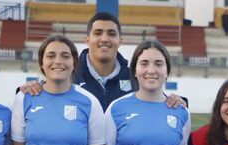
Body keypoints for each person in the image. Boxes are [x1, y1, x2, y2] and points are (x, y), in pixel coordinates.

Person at [19, 12, 185, 112]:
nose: (104, 39)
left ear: (120, 40)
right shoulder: (68, 75)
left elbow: (157, 100)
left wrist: (175, 100)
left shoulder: (135, 77)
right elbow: (41, 94)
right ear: (87, 39)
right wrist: (31, 87)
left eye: (111, 34)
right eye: (98, 33)